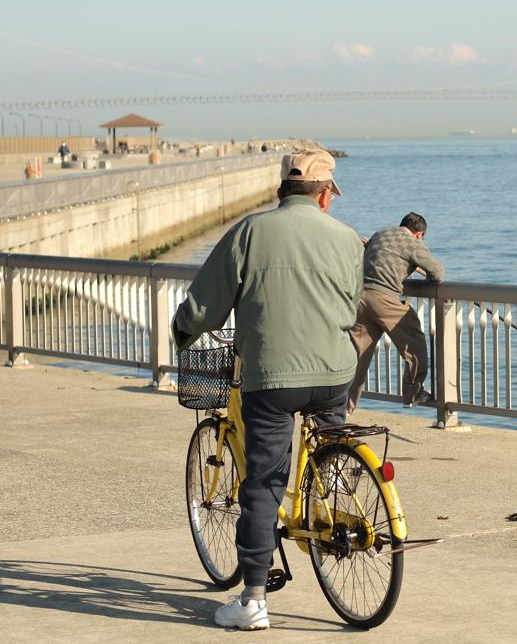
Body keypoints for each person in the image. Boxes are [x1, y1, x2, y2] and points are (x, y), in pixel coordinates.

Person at [172, 149, 363, 631]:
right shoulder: (345, 238)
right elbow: (351, 304)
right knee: (329, 444)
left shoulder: (250, 232)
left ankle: (254, 599)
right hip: (335, 374)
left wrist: (182, 332)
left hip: (272, 380)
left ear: (281, 191)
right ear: (324, 196)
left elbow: (206, 302)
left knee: (262, 483)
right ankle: (330, 502)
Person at [346, 213, 444, 414]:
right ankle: (413, 393)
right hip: (385, 299)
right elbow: (437, 272)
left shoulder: (380, 234)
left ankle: (342, 410)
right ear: (420, 234)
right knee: (414, 344)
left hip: (359, 299)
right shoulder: (412, 243)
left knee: (357, 358)